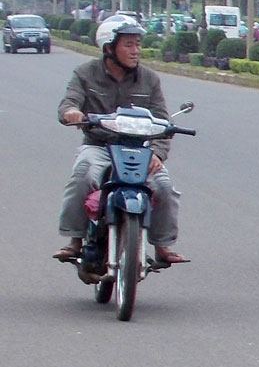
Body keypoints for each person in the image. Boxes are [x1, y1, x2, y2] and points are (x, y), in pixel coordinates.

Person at [54, 15, 188, 266]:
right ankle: (75, 240)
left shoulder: (150, 79)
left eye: (137, 44)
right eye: (128, 44)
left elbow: (163, 122)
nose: (136, 50)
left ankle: (162, 246)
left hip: (140, 150)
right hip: (99, 146)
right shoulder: (85, 73)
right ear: (109, 47)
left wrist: (157, 153)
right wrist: (71, 112)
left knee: (164, 186)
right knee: (82, 176)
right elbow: (70, 101)